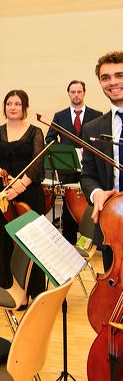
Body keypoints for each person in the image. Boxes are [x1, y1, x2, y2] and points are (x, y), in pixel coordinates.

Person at [0, 89, 46, 297]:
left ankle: (30, 289)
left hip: (28, 192)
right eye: (9, 103)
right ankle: (3, 288)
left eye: (17, 104)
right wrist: (1, 175)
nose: (12, 107)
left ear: (24, 107)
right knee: (1, 238)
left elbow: (37, 164)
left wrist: (20, 185)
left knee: (29, 242)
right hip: (1, 192)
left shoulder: (35, 132)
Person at [44, 80, 103, 243]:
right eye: (73, 92)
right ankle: (69, 242)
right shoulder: (60, 115)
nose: (76, 95)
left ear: (84, 93)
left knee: (90, 204)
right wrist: (65, 150)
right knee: (68, 207)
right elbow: (49, 139)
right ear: (68, 94)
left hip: (90, 168)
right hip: (67, 168)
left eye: (79, 91)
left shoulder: (97, 115)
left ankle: (92, 241)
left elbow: (101, 141)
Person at [81, 51, 123, 271]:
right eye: (106, 77)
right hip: (112, 226)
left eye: (119, 75)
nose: (113, 82)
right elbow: (87, 175)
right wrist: (96, 193)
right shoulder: (93, 129)